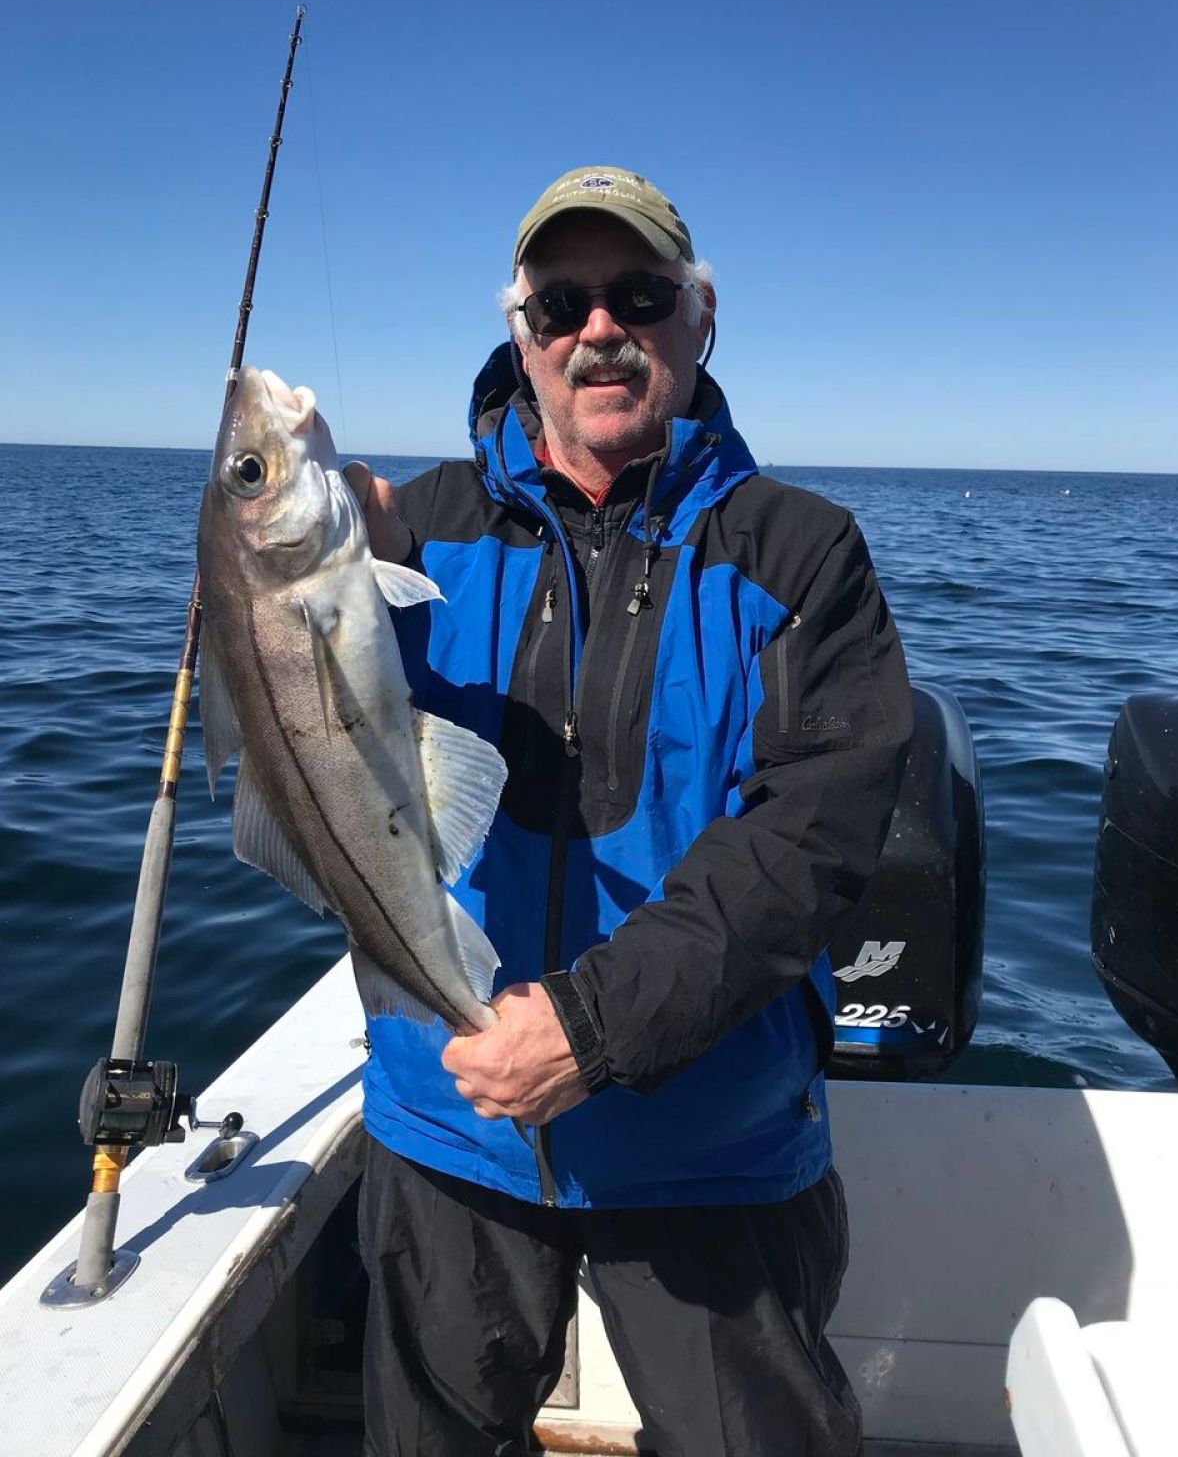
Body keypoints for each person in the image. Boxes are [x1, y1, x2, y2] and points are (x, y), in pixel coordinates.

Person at [345, 166, 913, 1457]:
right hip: (453, 1121)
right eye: (561, 304)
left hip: (708, 1144)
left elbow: (810, 842)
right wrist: (332, 581)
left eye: (639, 294)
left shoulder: (802, 554)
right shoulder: (416, 534)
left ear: (701, 318)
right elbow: (309, 754)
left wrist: (587, 1029)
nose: (598, 328)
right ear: (522, 337)